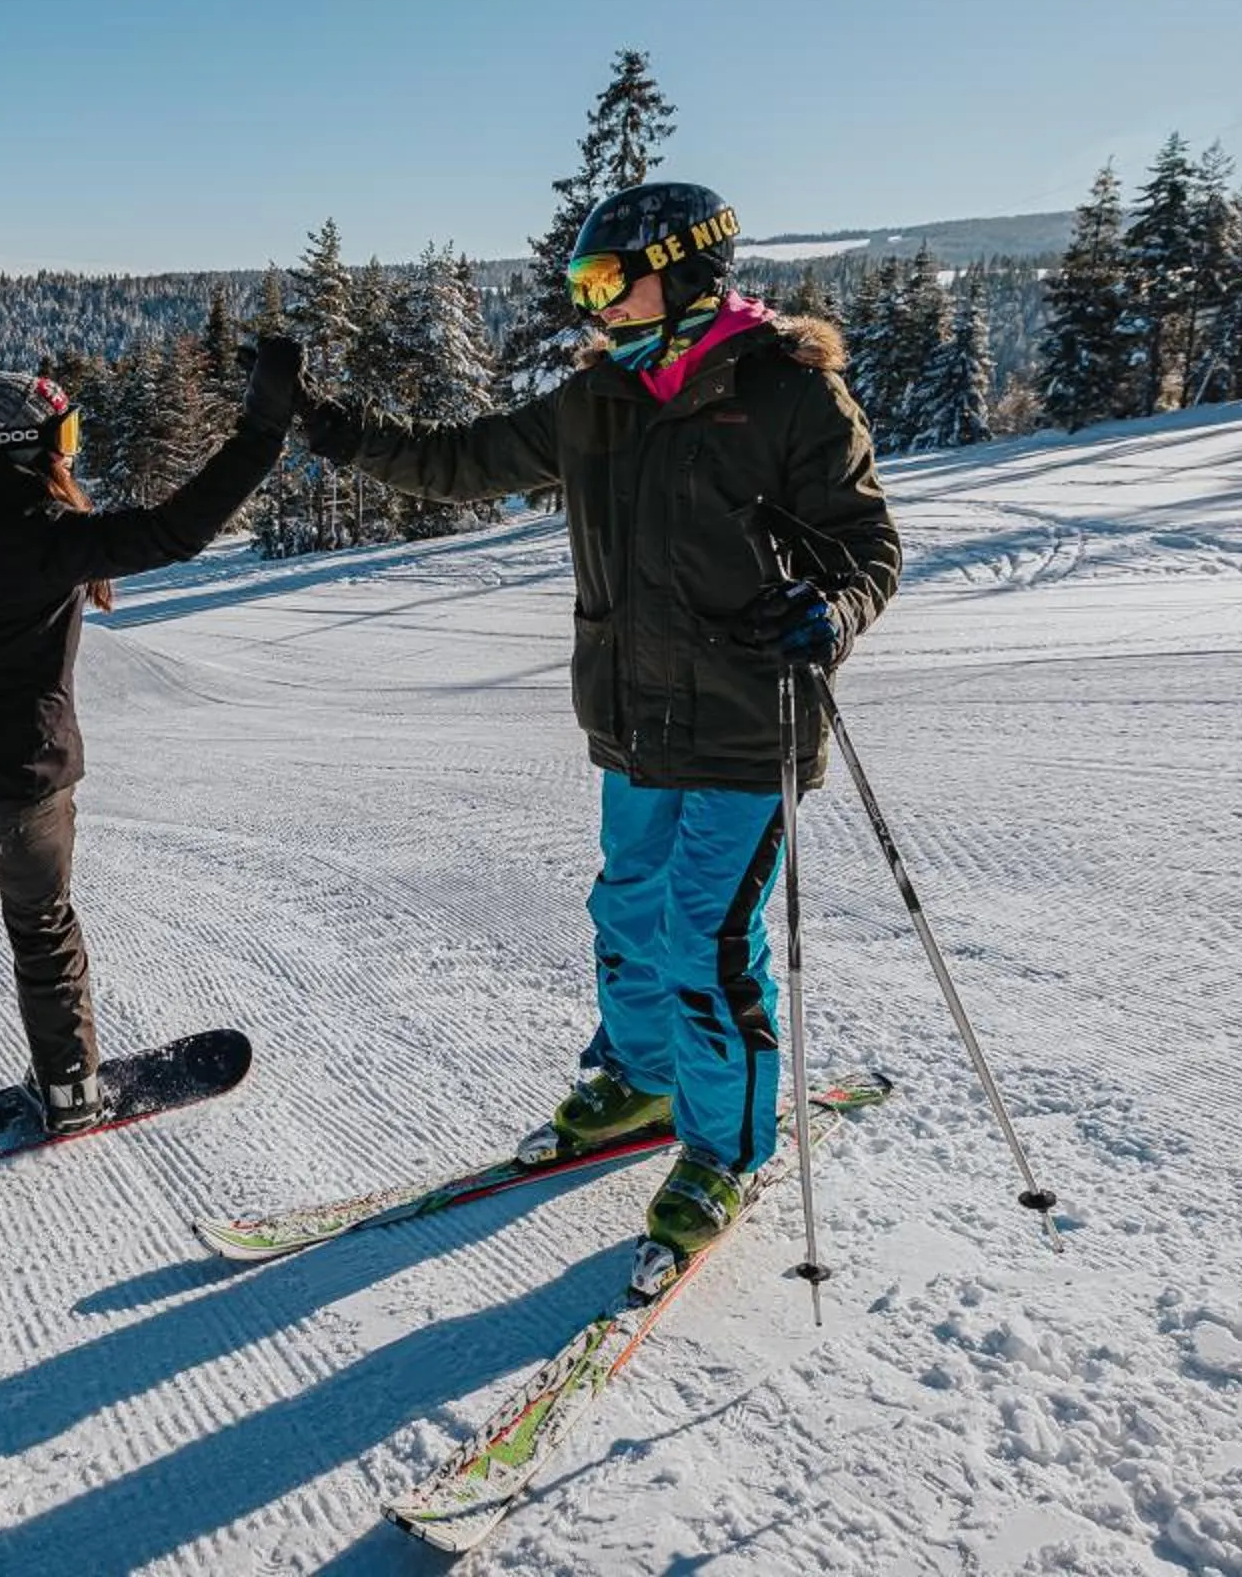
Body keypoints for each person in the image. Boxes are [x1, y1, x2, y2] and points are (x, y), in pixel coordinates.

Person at [295, 183, 898, 1254]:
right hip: (635, 722)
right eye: (583, 286)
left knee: (707, 942)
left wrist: (831, 607)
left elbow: (865, 547)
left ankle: (722, 1150)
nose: (595, 305)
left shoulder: (791, 394)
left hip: (749, 723)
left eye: (611, 282)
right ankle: (642, 1080)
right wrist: (333, 429)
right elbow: (459, 458)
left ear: (688, 268)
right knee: (626, 912)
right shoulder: (597, 399)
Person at [0, 335, 304, 1184]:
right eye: (66, 438)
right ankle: (72, 1089)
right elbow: (180, 528)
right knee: (44, 933)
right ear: (25, 446)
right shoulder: (55, 538)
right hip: (30, 782)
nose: (73, 453)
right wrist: (260, 434)